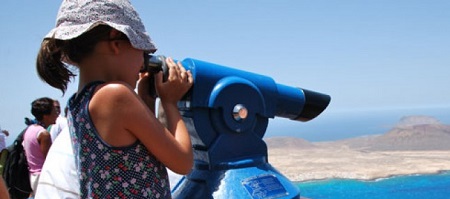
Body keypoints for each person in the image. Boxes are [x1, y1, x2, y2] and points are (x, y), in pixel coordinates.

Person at [35, 0, 194, 198]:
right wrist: (170, 102)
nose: (143, 63)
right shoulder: (116, 96)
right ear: (116, 42)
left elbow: (132, 150)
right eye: (144, 52)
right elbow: (183, 162)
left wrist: (146, 99)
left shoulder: (79, 103)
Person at [22, 97, 58, 196]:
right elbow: (49, 160)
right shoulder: (44, 134)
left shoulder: (30, 130)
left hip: (33, 176)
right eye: (54, 112)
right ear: (46, 115)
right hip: (44, 178)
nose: (56, 115)